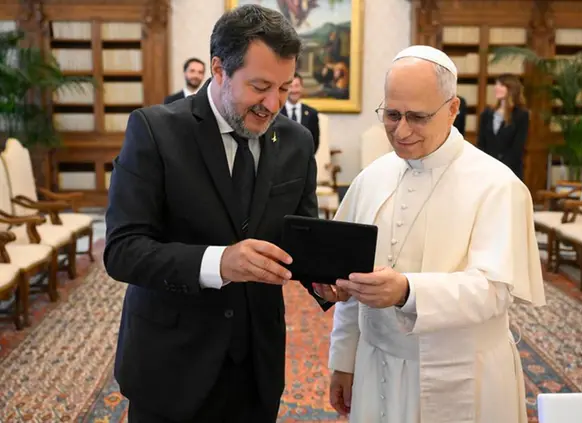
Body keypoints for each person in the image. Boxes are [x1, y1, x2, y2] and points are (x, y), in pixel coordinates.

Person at [105, 5, 333, 423]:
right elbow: (122, 250)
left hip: (257, 365)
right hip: (172, 363)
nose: (273, 104)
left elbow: (301, 238)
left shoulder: (297, 142)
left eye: (284, 88)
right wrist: (220, 262)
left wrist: (325, 280)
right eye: (260, 87)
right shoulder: (154, 131)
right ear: (219, 70)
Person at [317, 45, 546, 423]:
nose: (401, 130)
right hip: (377, 364)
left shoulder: (497, 185)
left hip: (462, 373)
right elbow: (349, 275)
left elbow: (494, 291)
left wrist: (407, 291)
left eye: (418, 117)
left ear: (453, 109)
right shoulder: (371, 178)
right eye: (392, 115)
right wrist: (343, 359)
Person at [477, 73, 529, 180]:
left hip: (509, 172)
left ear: (511, 89)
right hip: (487, 171)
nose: (496, 88)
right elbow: (481, 144)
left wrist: (499, 168)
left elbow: (517, 148)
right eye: (496, 84)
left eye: (501, 85)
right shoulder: (487, 113)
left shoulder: (521, 115)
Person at [279, 72, 320, 153]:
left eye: (297, 86)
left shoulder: (312, 114)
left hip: (304, 158)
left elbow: (314, 142)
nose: (294, 90)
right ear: (286, 89)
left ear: (302, 88)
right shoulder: (277, 112)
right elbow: (272, 139)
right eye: (291, 86)